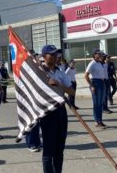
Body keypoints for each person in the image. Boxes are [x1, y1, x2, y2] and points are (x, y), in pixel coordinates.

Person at [40, 45, 74, 173]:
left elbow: (72, 92)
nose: (54, 57)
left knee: (59, 150)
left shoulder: (60, 72)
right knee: (49, 150)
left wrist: (59, 84)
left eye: (56, 54)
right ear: (44, 56)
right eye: (51, 54)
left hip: (60, 111)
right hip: (47, 112)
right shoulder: (39, 72)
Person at [84, 48, 107, 128]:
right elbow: (86, 75)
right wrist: (92, 85)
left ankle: (100, 120)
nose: (100, 54)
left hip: (101, 83)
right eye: (98, 53)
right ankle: (97, 121)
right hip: (95, 83)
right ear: (94, 55)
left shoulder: (99, 63)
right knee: (96, 104)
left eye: (100, 53)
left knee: (100, 103)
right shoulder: (92, 63)